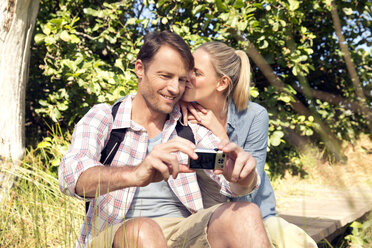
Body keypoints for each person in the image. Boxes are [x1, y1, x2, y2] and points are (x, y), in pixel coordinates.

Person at [59, 31, 271, 248]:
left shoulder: (189, 125)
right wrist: (137, 173)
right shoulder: (105, 118)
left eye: (182, 80)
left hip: (180, 231)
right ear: (140, 69)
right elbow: (71, 178)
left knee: (245, 213)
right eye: (165, 76)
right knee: (143, 230)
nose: (174, 89)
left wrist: (241, 176)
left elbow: (229, 183)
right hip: (116, 233)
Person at [181, 41, 318, 248]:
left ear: (221, 83)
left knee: (294, 241)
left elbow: (250, 189)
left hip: (256, 212)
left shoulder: (254, 116)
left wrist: (219, 132)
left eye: (197, 73)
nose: (187, 78)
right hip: (210, 217)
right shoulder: (180, 110)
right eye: (187, 69)